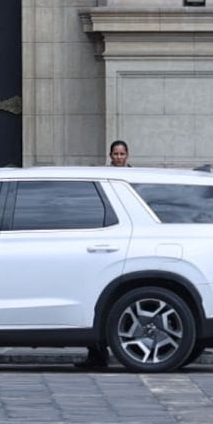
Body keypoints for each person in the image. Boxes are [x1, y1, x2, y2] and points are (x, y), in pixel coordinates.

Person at [76, 139, 132, 370]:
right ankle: (97, 354)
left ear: (127, 155)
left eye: (122, 154)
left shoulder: (134, 178)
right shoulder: (103, 177)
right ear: (110, 155)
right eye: (115, 154)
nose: (119, 157)